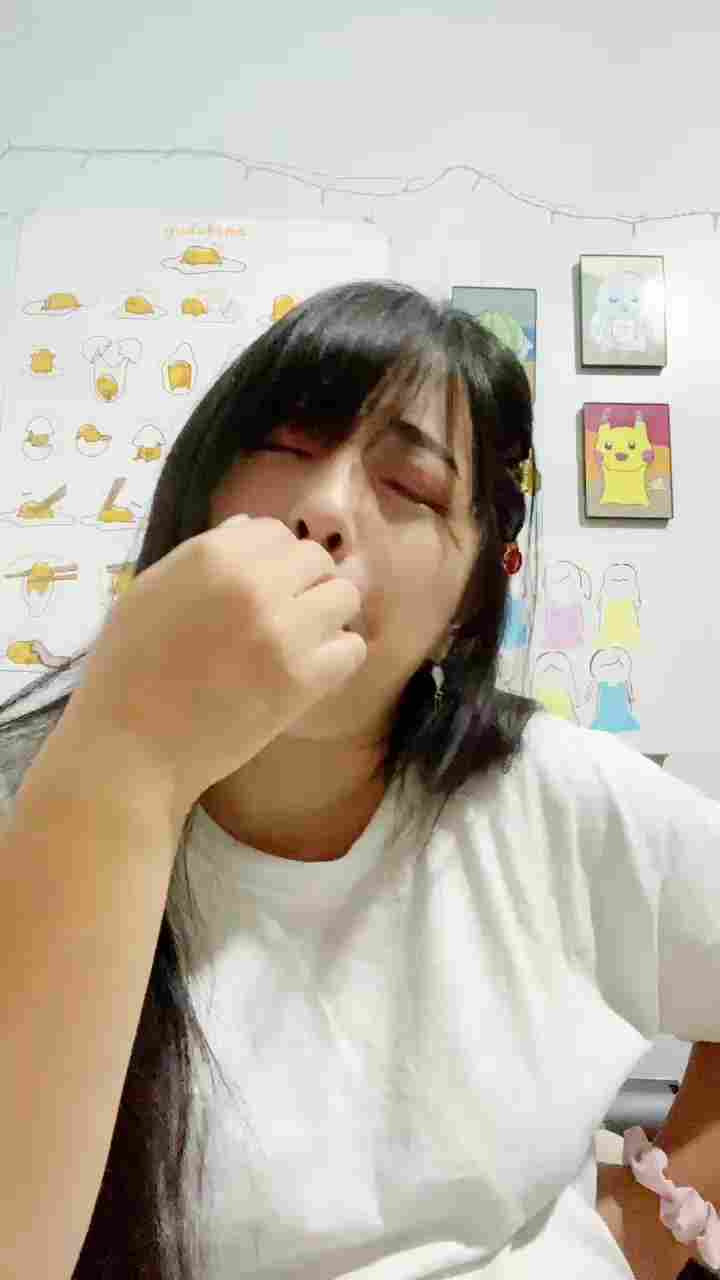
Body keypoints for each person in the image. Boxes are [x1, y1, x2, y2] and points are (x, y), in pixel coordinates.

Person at [1, 280, 719, 1280]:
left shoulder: (552, 789)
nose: (325, 509)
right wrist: (127, 759)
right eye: (284, 446)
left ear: (469, 602)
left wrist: (646, 1229)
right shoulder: (39, 791)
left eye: (412, 489)